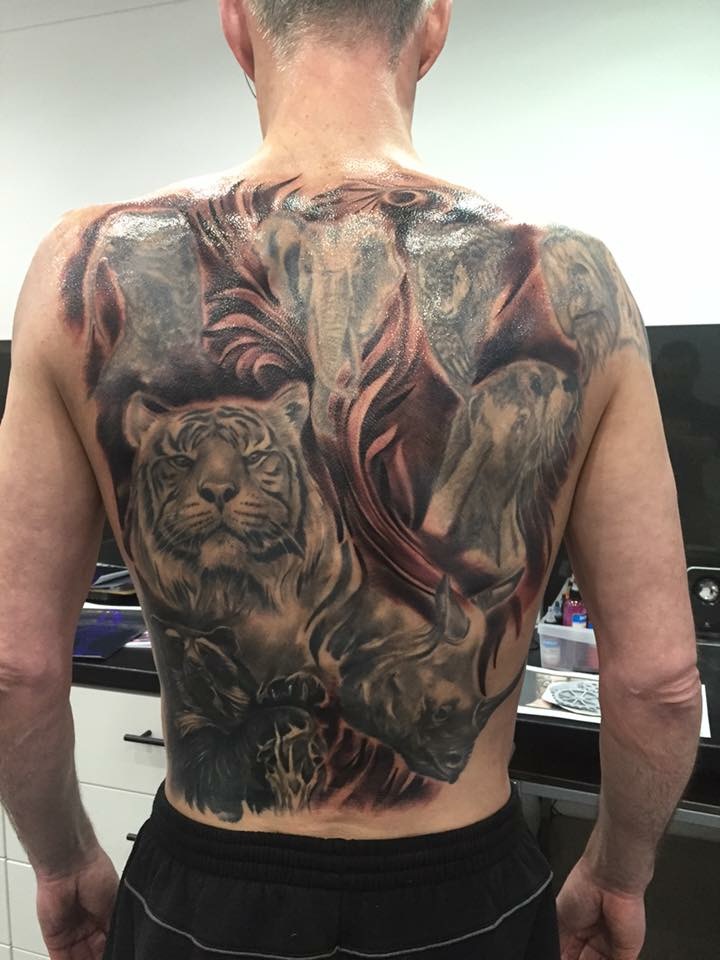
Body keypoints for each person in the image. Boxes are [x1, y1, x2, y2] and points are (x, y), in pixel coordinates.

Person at [0, 1, 702, 958]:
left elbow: (16, 667)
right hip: (466, 897)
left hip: (203, 894)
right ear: (432, 26)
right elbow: (661, 683)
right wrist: (618, 873)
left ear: (238, 26)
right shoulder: (572, 281)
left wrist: (62, 858)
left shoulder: (81, 269)